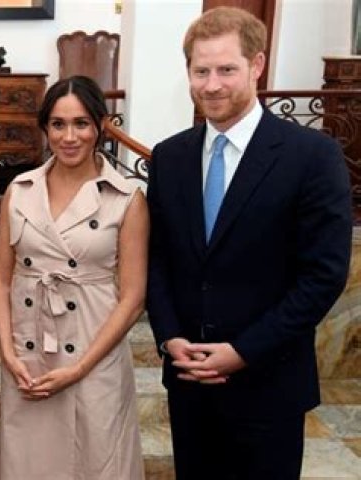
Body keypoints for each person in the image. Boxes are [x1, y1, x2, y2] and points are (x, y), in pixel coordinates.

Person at [146, 7, 352, 480]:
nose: (212, 85)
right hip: (189, 385)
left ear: (257, 65)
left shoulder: (312, 156)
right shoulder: (170, 156)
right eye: (201, 71)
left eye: (226, 70)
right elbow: (157, 259)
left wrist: (242, 350)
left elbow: (323, 276)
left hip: (269, 385)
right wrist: (169, 336)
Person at [0, 75, 148, 479]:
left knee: (96, 459)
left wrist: (80, 368)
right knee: (28, 463)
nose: (69, 136)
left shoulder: (126, 197)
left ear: (101, 126)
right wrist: (7, 352)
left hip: (94, 351)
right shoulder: (20, 190)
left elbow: (133, 298)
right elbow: (1, 280)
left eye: (81, 124)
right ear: (45, 128)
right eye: (58, 124)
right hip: (29, 353)